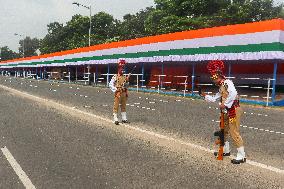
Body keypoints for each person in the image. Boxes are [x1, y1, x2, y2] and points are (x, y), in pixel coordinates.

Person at [204, 60, 246, 164]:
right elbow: (214, 98)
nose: (214, 80)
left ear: (219, 76)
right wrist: (205, 96)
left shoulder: (227, 82)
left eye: (215, 78)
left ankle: (241, 156)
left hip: (234, 110)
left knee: (234, 132)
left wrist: (225, 104)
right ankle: (226, 150)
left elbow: (233, 93)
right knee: (224, 131)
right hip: (227, 111)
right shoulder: (221, 86)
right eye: (213, 78)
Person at [109, 59, 130, 125]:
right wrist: (115, 89)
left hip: (123, 92)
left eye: (123, 69)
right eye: (121, 69)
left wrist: (127, 81)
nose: (122, 70)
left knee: (123, 106)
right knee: (116, 106)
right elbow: (110, 84)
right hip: (118, 93)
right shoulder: (115, 76)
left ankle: (124, 118)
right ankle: (115, 118)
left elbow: (127, 85)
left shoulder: (124, 77)